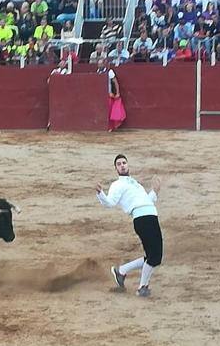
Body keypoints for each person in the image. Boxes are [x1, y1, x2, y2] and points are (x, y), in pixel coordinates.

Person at [95, 154, 163, 298]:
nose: (122, 165)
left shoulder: (135, 183)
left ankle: (122, 271)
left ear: (128, 165)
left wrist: (155, 191)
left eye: (124, 163)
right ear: (116, 169)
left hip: (151, 216)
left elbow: (146, 201)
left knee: (153, 256)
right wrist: (100, 193)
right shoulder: (117, 185)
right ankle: (142, 287)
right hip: (142, 219)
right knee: (154, 257)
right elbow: (110, 203)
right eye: (119, 164)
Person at [97, 60, 125, 131]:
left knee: (110, 111)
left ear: (104, 64)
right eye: (98, 64)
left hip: (109, 94)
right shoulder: (98, 72)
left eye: (100, 64)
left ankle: (111, 126)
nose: (99, 66)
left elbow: (115, 82)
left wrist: (117, 92)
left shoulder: (110, 72)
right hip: (100, 95)